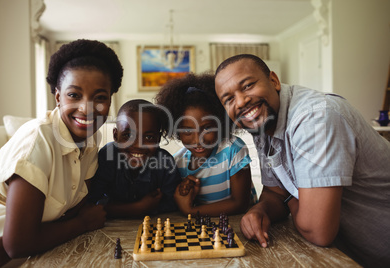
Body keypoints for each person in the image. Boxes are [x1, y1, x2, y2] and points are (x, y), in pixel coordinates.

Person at [214, 54, 390, 267]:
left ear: (274, 81)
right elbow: (274, 192)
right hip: (345, 256)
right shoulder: (262, 124)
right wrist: (259, 210)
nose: (241, 101)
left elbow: (318, 230)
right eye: (229, 99)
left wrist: (290, 199)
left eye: (248, 85)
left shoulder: (316, 119)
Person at [0, 39, 123, 267]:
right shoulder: (38, 140)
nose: (87, 108)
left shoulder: (91, 138)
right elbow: (17, 244)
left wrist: (76, 220)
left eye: (100, 97)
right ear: (58, 97)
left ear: (110, 101)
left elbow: (78, 207)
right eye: (74, 95)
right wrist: (82, 223)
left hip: (37, 248)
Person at [155, 73, 257, 217]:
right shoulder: (177, 162)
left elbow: (240, 203)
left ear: (221, 123)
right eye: (187, 130)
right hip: (209, 229)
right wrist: (183, 194)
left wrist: (190, 211)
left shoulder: (233, 149)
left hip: (242, 224)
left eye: (207, 128)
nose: (198, 140)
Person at [88, 99, 181, 217]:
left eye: (149, 137)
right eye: (128, 135)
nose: (138, 145)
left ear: (158, 139)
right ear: (116, 136)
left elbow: (174, 203)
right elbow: (93, 203)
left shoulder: (165, 162)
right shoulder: (107, 156)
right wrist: (139, 208)